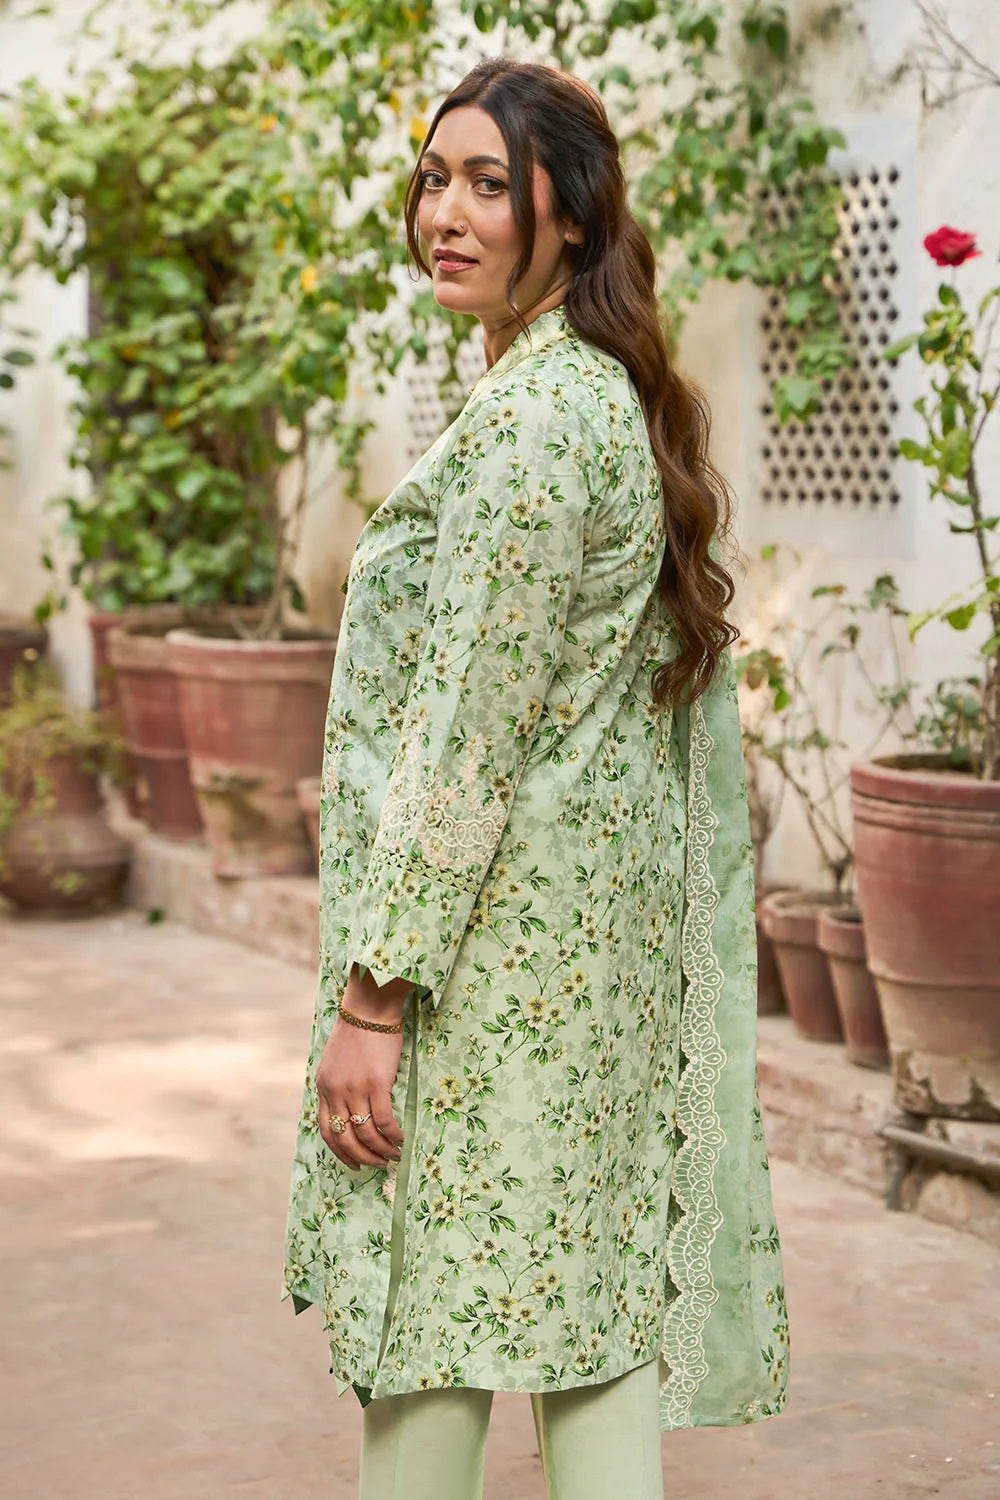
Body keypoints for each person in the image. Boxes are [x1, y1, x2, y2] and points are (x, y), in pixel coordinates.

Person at [283, 56, 789, 1500]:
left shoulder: (529, 429)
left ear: (569, 214)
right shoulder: (593, 397)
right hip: (589, 963)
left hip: (491, 970)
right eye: (434, 179)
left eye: (488, 184)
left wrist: (375, 1000)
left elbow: (465, 740)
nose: (444, 213)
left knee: (430, 1321)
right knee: (590, 1316)